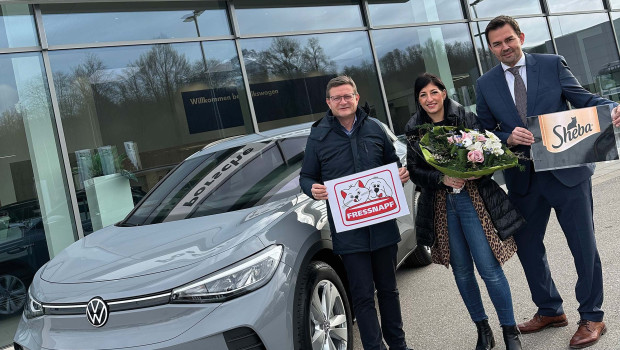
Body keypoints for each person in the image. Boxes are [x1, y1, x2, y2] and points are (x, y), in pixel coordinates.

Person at [475, 15, 620, 349]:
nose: (504, 47)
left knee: (583, 246)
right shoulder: (485, 84)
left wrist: (611, 107)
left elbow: (583, 99)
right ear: (490, 48)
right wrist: (506, 136)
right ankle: (550, 309)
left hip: (567, 173)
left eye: (509, 40)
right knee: (527, 246)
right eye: (496, 44)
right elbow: (483, 132)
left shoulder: (552, 64)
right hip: (523, 178)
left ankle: (592, 315)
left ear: (520, 37)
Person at [405, 73, 524, 350]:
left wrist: (474, 172)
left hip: (473, 201)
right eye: (423, 95)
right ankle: (483, 331)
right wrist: (441, 179)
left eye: (434, 92)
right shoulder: (414, 127)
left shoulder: (464, 117)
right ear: (418, 99)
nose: (429, 99)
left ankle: (510, 331)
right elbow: (414, 171)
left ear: (444, 93)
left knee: (489, 269)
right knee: (461, 271)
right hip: (441, 205)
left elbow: (490, 152)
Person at [300, 75, 412, 350]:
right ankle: (375, 347)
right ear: (328, 102)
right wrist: (312, 188)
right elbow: (306, 177)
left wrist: (401, 174)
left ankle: (398, 345)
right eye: (336, 97)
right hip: (348, 231)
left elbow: (393, 164)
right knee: (362, 295)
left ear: (356, 97)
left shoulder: (375, 128)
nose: (343, 101)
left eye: (347, 96)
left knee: (389, 290)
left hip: (382, 225)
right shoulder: (318, 136)